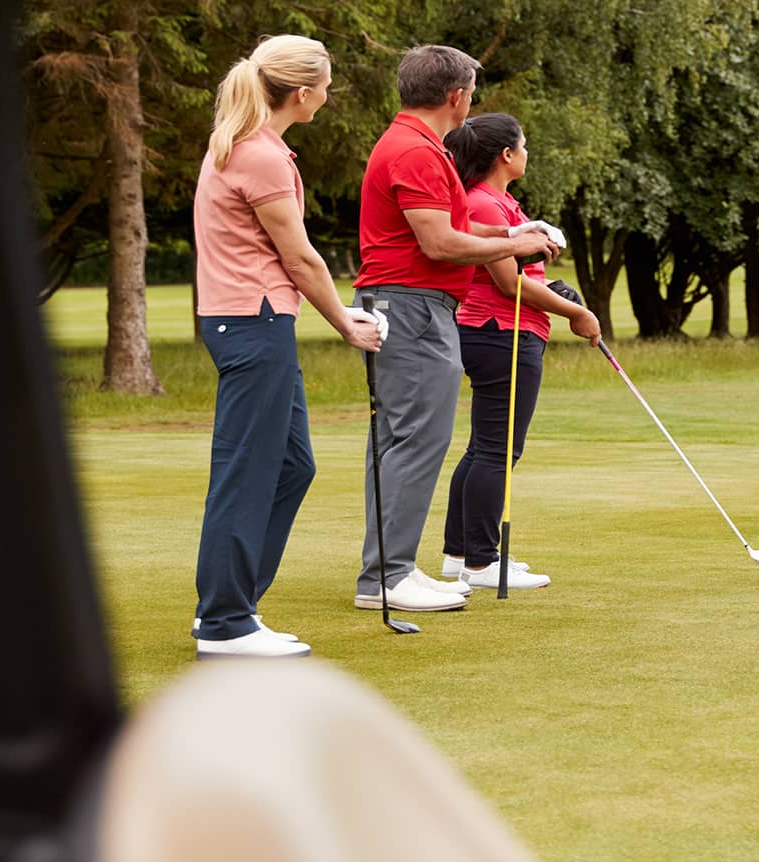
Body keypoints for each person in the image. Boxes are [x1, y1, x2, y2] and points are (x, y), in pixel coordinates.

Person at [190, 35, 385, 658]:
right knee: (248, 471)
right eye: (325, 87)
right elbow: (299, 258)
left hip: (250, 322)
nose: (328, 96)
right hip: (254, 322)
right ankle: (225, 622)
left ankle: (231, 603)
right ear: (302, 93)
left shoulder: (243, 144)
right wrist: (345, 323)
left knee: (292, 465)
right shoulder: (261, 156)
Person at [352, 45, 561, 614]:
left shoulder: (420, 146)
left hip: (411, 304)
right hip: (412, 305)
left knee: (401, 440)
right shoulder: (416, 150)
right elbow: (439, 243)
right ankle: (389, 575)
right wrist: (513, 246)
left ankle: (386, 571)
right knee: (415, 440)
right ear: (456, 95)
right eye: (470, 91)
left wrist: (517, 231)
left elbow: (454, 224)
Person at [437, 114, 600, 591]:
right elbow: (509, 285)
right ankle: (482, 563)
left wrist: (557, 292)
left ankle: (460, 555)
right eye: (523, 146)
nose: (527, 153)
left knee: (484, 448)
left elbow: (526, 277)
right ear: (506, 155)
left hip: (499, 332)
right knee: (498, 449)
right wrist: (577, 313)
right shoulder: (485, 204)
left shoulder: (500, 202)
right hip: (501, 333)